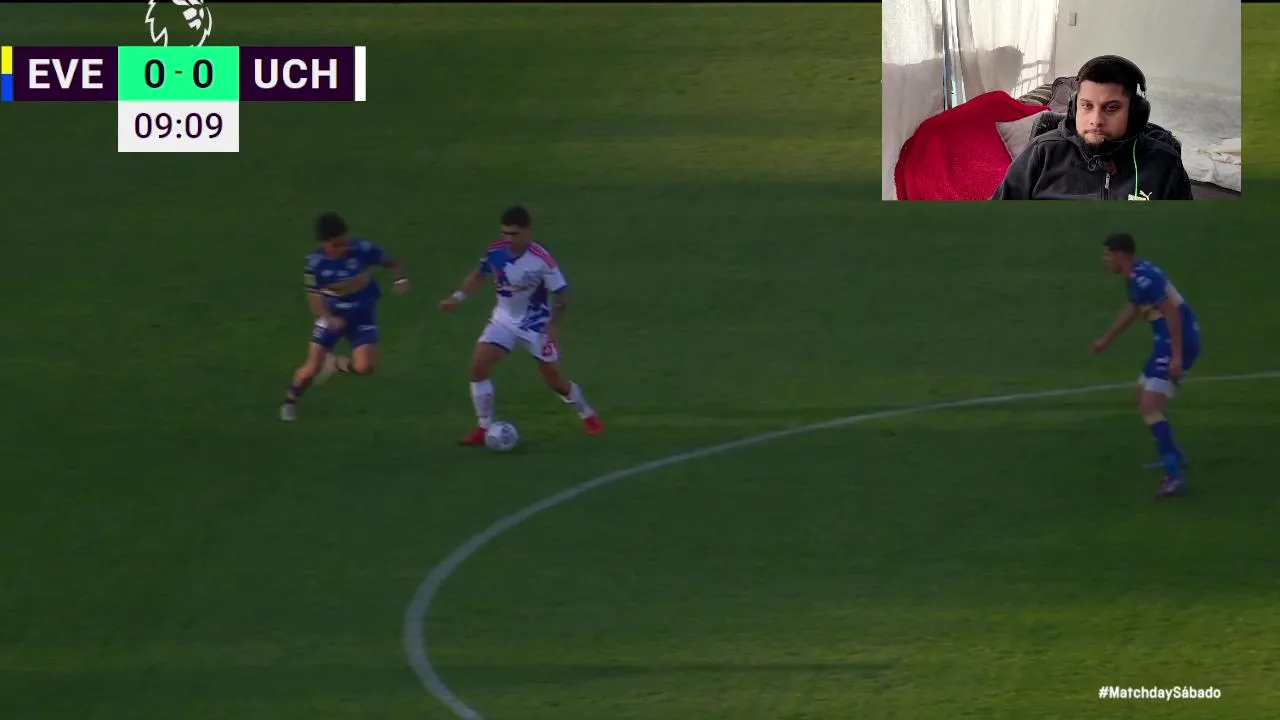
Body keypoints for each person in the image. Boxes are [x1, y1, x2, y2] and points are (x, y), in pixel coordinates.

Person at [439, 205, 603, 444]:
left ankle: (586, 413)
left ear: (528, 231)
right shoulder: (496, 250)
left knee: (555, 381)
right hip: (503, 319)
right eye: (505, 233)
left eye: (514, 234)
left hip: (535, 324)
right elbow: (479, 274)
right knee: (478, 368)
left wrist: (553, 326)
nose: (509, 239)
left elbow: (562, 295)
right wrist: (457, 298)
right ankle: (483, 428)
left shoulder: (542, 260)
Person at [992, 55, 1193, 201]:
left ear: (1134, 112)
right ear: (1074, 107)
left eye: (1111, 108)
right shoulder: (1041, 153)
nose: (1096, 120)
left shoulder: (1164, 164)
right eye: (1087, 106)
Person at [1090, 233, 1200, 498]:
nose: (1105, 260)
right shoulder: (1135, 275)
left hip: (1177, 341)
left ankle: (1174, 477)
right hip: (1166, 342)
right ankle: (1174, 454)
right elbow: (1133, 309)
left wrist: (1176, 357)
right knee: (1142, 395)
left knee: (1149, 406)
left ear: (1121, 255)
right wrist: (1107, 339)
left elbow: (1172, 313)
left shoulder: (1144, 279)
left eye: (1108, 254)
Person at [280, 212, 408, 421]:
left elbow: (393, 262)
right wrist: (329, 318)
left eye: (345, 241)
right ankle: (290, 400)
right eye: (337, 244)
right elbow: (314, 299)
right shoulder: (314, 264)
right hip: (333, 316)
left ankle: (336, 364)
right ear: (324, 243)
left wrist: (400, 280)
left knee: (366, 367)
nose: (343, 247)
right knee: (311, 368)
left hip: (362, 315)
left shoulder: (361, 249)